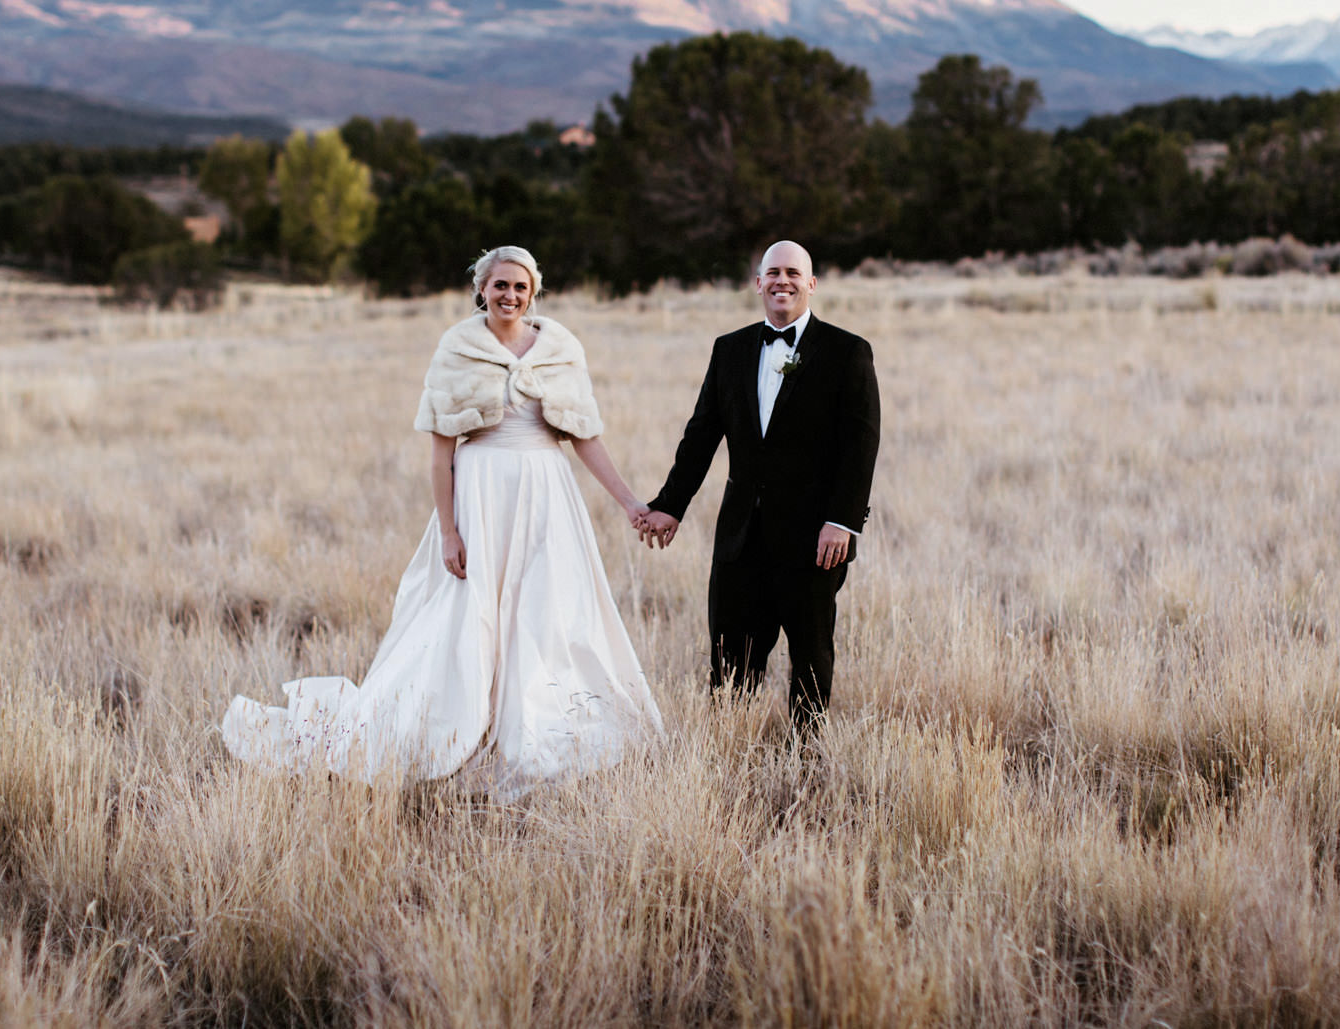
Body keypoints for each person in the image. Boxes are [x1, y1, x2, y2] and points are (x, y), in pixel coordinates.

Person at [221, 246, 662, 797]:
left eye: (520, 287)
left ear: (534, 292)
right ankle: (460, 731)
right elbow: (439, 455)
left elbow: (585, 436)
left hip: (546, 495)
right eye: (500, 285)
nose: (510, 296)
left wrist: (628, 501)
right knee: (468, 615)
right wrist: (450, 531)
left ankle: (530, 724)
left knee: (546, 611)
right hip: (479, 497)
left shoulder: (560, 350)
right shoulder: (458, 349)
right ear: (482, 289)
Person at [637, 240, 880, 733]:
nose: (782, 281)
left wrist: (841, 522)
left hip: (815, 539)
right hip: (740, 536)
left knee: (811, 657)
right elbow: (701, 434)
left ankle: (805, 758)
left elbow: (861, 445)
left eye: (793, 272)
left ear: (811, 284)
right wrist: (670, 505)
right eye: (773, 272)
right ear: (758, 283)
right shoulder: (730, 349)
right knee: (729, 658)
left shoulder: (847, 352)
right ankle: (730, 753)